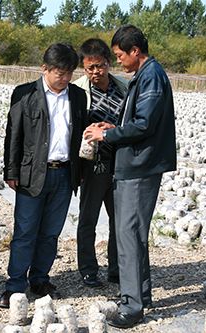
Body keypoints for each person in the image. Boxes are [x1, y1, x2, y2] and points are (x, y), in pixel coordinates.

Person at [84, 24, 176, 328]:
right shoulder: (146, 75)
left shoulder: (151, 76)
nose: (119, 61)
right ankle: (142, 295)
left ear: (135, 51)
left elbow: (144, 125)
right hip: (137, 164)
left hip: (139, 167)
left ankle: (132, 306)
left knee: (127, 235)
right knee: (133, 235)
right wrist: (115, 127)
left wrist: (106, 136)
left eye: (121, 55)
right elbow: (135, 121)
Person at [0, 43, 88, 308]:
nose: (65, 78)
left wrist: (79, 172)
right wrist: (11, 171)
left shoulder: (78, 97)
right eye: (60, 72)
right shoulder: (25, 94)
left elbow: (80, 137)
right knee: (25, 231)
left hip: (63, 174)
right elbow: (13, 136)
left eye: (69, 72)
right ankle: (15, 286)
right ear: (44, 69)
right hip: (32, 174)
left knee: (50, 233)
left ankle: (39, 279)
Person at [74, 38, 127, 288]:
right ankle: (88, 269)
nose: (96, 72)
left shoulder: (124, 88)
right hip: (93, 164)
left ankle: (116, 269)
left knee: (119, 220)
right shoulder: (78, 91)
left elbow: (133, 124)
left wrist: (115, 129)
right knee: (88, 219)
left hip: (120, 162)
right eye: (90, 68)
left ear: (108, 63)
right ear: (83, 68)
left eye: (100, 66)